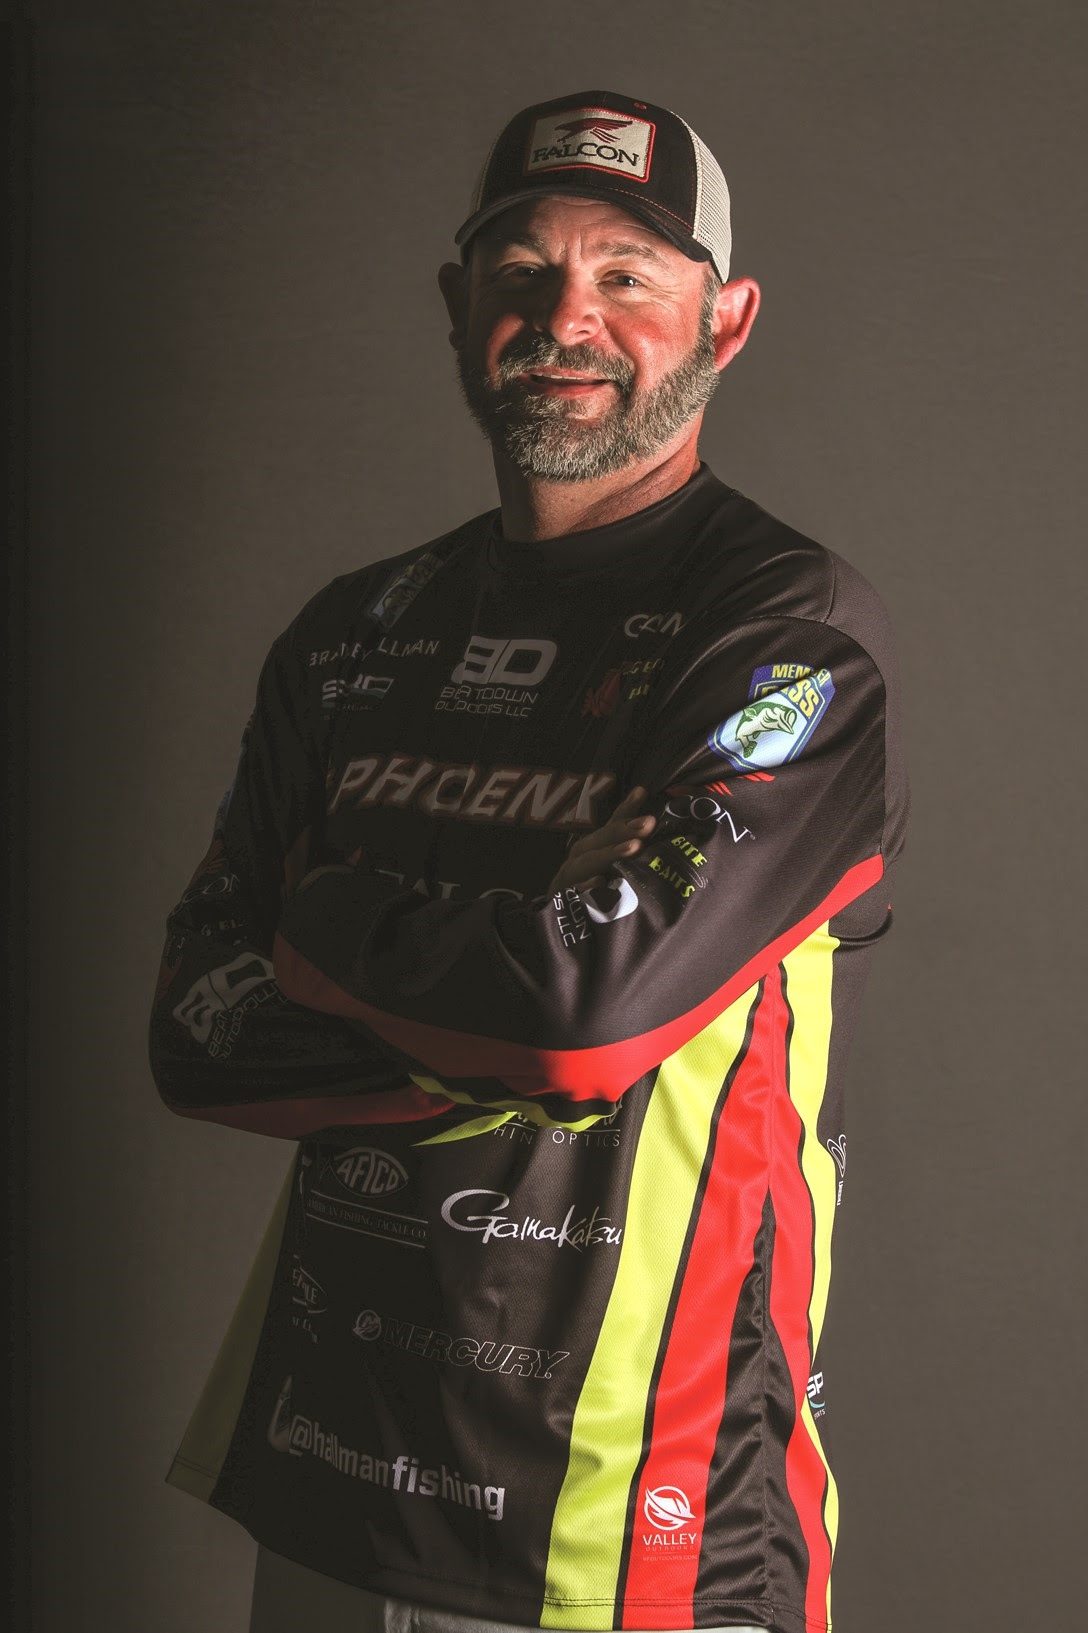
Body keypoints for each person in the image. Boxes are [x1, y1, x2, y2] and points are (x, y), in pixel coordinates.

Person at [150, 88, 909, 1633]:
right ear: (459, 305)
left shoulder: (789, 636)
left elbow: (579, 1021)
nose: (567, 317)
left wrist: (327, 912)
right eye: (524, 271)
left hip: (635, 1526)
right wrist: (512, 943)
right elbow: (198, 1033)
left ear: (727, 321)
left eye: (628, 273)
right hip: (327, 1480)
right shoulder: (357, 630)